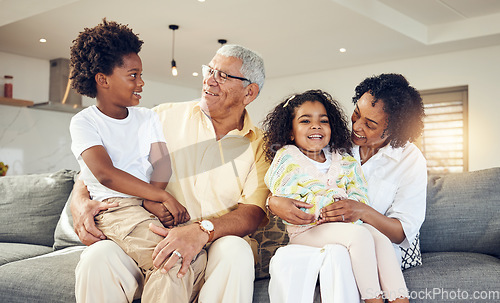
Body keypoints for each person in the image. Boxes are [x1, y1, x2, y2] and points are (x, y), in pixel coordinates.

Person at [70, 43, 269, 303]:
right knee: (96, 258)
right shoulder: (161, 116)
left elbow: (253, 212)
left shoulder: (261, 144)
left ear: (249, 92)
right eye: (209, 70)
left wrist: (200, 231)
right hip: (155, 230)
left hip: (216, 239)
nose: (210, 80)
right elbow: (101, 167)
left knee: (236, 251)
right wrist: (79, 200)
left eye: (223, 75)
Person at [68, 19, 202, 302]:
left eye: (141, 74)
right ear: (102, 80)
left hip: (144, 204)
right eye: (133, 75)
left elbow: (162, 163)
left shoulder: (147, 117)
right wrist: (159, 196)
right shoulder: (85, 122)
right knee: (172, 260)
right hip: (115, 210)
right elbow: (105, 174)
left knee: (194, 258)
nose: (141, 82)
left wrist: (152, 200)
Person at [267, 74, 426, 302]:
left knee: (377, 238)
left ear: (395, 130)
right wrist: (274, 202)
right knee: (357, 238)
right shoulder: (329, 144)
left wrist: (360, 210)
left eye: (370, 124)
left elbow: (400, 231)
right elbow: (283, 185)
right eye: (356, 114)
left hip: (365, 237)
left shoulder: (409, 159)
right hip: (318, 229)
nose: (357, 127)